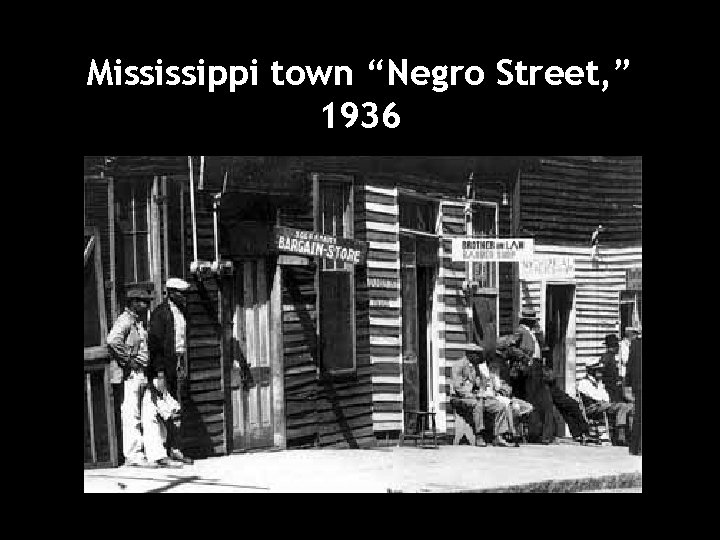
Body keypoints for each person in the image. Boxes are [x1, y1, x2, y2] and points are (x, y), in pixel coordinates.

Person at [144, 277, 194, 466]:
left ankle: (176, 449)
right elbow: (155, 346)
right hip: (163, 368)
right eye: (181, 294)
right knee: (162, 409)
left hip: (178, 364)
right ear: (171, 293)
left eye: (186, 294)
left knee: (176, 408)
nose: (184, 297)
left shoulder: (181, 312)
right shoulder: (161, 314)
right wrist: (160, 373)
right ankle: (162, 453)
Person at [106, 287, 157, 468]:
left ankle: (149, 453)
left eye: (147, 302)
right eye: (142, 302)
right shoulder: (125, 320)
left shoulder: (139, 322)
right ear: (133, 303)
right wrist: (128, 360)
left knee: (147, 413)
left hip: (142, 372)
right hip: (130, 374)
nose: (146, 305)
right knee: (131, 414)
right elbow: (112, 340)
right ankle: (133, 456)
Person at [450, 344, 514, 447]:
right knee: (478, 405)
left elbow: (478, 384)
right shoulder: (458, 365)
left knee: (499, 406)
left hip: (476, 396)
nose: (479, 357)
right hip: (459, 397)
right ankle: (479, 435)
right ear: (469, 354)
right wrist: (471, 395)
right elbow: (458, 386)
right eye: (477, 354)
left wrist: (483, 389)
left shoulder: (476, 367)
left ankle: (498, 436)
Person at [515, 308, 555, 444]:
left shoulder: (534, 333)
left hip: (538, 367)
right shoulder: (520, 331)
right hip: (529, 367)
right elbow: (512, 347)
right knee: (532, 400)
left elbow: (544, 349)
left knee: (545, 401)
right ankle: (534, 433)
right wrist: (524, 358)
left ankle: (545, 434)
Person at [578, 363, 634, 446]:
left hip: (603, 405)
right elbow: (596, 396)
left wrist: (602, 393)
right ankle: (620, 436)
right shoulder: (584, 382)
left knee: (629, 406)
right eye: (597, 370)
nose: (600, 372)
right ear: (591, 371)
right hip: (592, 407)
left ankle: (626, 435)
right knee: (622, 406)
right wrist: (602, 396)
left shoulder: (598, 382)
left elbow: (606, 397)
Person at [625, 335, 642, 455]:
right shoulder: (635, 344)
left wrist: (628, 384)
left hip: (637, 385)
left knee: (638, 416)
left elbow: (629, 365)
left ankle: (634, 448)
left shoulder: (635, 344)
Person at [599, 334, 624, 402]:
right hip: (611, 388)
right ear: (614, 346)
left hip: (611, 387)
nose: (619, 347)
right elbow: (605, 372)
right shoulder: (608, 357)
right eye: (617, 345)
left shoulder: (607, 356)